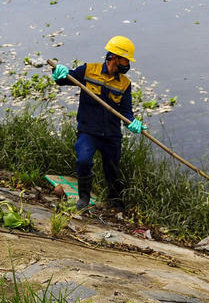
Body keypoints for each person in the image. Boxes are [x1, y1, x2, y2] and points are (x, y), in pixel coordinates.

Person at [50, 35, 144, 211]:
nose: (127, 65)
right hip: (88, 131)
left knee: (112, 169)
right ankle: (84, 197)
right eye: (125, 60)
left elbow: (126, 111)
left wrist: (132, 122)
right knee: (84, 161)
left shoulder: (125, 84)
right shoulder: (88, 70)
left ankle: (115, 201)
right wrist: (58, 73)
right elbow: (65, 79)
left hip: (111, 135)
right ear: (114, 57)